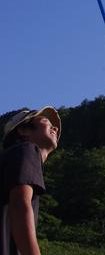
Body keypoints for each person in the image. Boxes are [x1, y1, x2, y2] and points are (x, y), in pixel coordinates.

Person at [1, 107, 61, 255]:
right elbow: (19, 204)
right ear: (24, 131)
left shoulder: (11, 159)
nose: (55, 128)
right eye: (46, 121)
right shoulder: (27, 149)